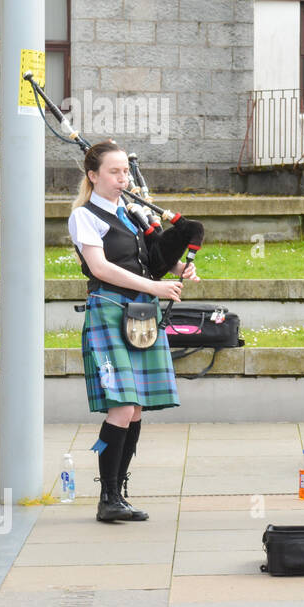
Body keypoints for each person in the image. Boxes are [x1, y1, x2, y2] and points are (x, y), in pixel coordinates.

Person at [68, 141, 194, 523]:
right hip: (108, 311)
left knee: (135, 409)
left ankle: (118, 489)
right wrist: (155, 287)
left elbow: (150, 257)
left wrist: (177, 270)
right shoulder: (85, 216)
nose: (123, 178)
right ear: (93, 176)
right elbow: (101, 268)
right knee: (121, 406)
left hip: (141, 314)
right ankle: (107, 496)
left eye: (125, 171)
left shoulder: (132, 210)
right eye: (114, 172)